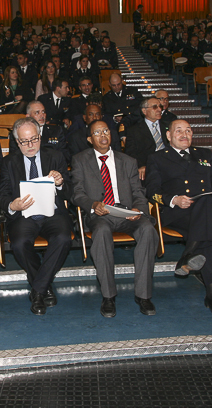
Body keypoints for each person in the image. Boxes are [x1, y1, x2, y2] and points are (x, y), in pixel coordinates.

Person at [71, 119, 159, 318]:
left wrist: (138, 209)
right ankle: (108, 296)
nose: (103, 135)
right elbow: (77, 193)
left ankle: (143, 295)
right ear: (89, 139)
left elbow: (138, 192)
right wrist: (93, 204)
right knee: (101, 232)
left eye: (106, 131)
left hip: (126, 212)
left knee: (147, 229)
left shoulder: (127, 161)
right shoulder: (80, 160)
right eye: (97, 133)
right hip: (100, 214)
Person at [145, 119, 212, 318]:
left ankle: (193, 265)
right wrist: (174, 199)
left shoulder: (205, 154)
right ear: (169, 136)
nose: (184, 135)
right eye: (179, 131)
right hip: (177, 213)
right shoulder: (157, 158)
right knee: (205, 230)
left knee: (206, 201)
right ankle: (192, 262)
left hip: (205, 210)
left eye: (188, 131)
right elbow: (151, 191)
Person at [0, 117, 72, 315]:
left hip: (53, 213)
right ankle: (44, 286)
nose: (30, 145)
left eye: (34, 139)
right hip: (24, 215)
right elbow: (2, 195)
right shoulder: (8, 162)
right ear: (17, 142)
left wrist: (60, 183)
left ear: (40, 136)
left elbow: (71, 192)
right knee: (19, 243)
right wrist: (12, 205)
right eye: (24, 141)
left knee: (63, 238)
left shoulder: (55, 156)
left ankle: (38, 290)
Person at [123, 97, 168, 181]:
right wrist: (140, 165)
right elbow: (130, 153)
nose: (159, 110)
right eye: (155, 107)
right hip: (147, 167)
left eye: (160, 106)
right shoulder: (134, 130)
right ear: (144, 111)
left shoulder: (168, 126)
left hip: (168, 164)